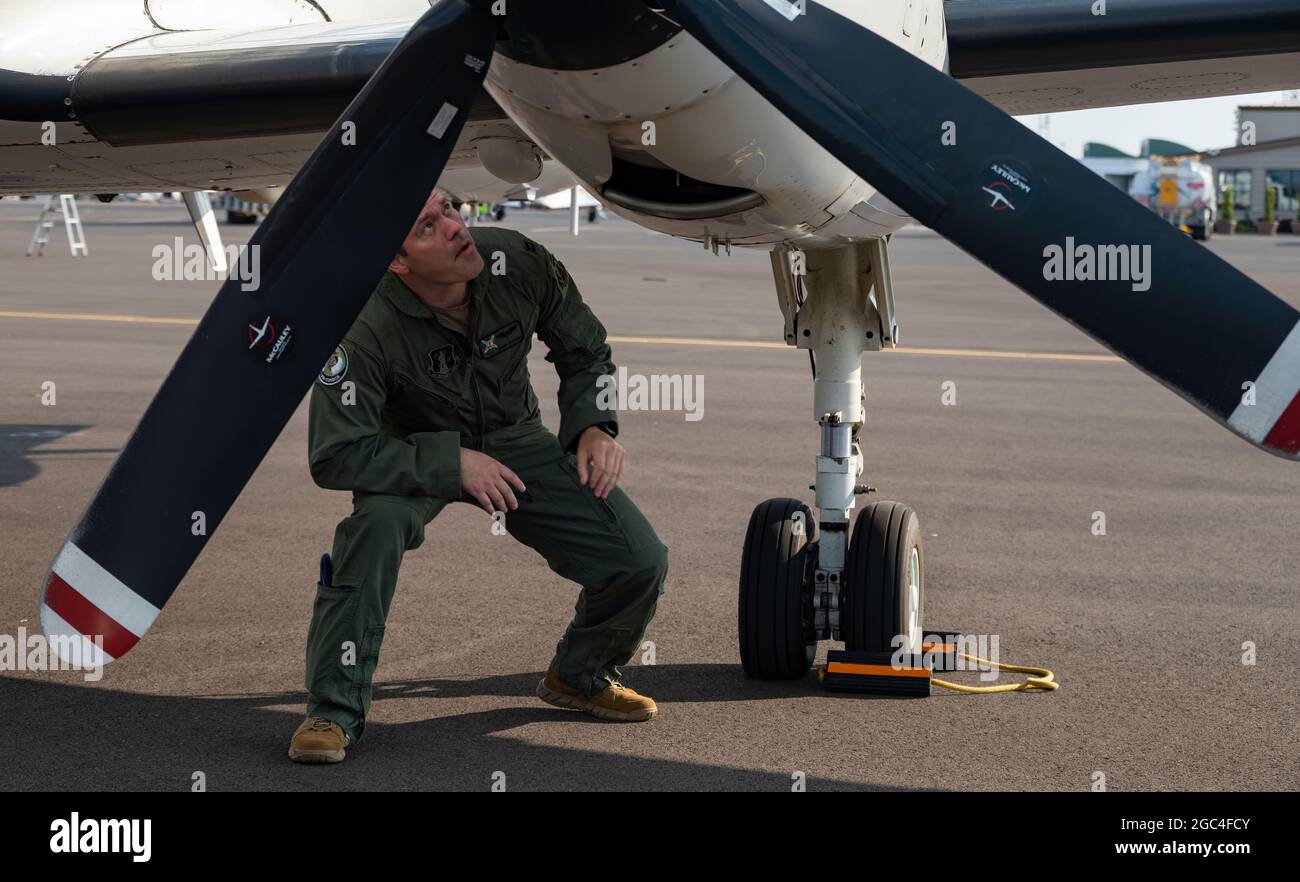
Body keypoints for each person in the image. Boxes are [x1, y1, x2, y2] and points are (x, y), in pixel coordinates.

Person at [288, 188, 668, 764]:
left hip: (516, 438)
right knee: (377, 526)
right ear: (397, 261)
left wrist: (594, 425)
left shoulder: (515, 260)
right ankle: (333, 710)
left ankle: (580, 674)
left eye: (449, 209)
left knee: (640, 558)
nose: (454, 228)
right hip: (409, 449)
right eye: (426, 227)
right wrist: (450, 462)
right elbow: (336, 453)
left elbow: (585, 348)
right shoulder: (362, 325)